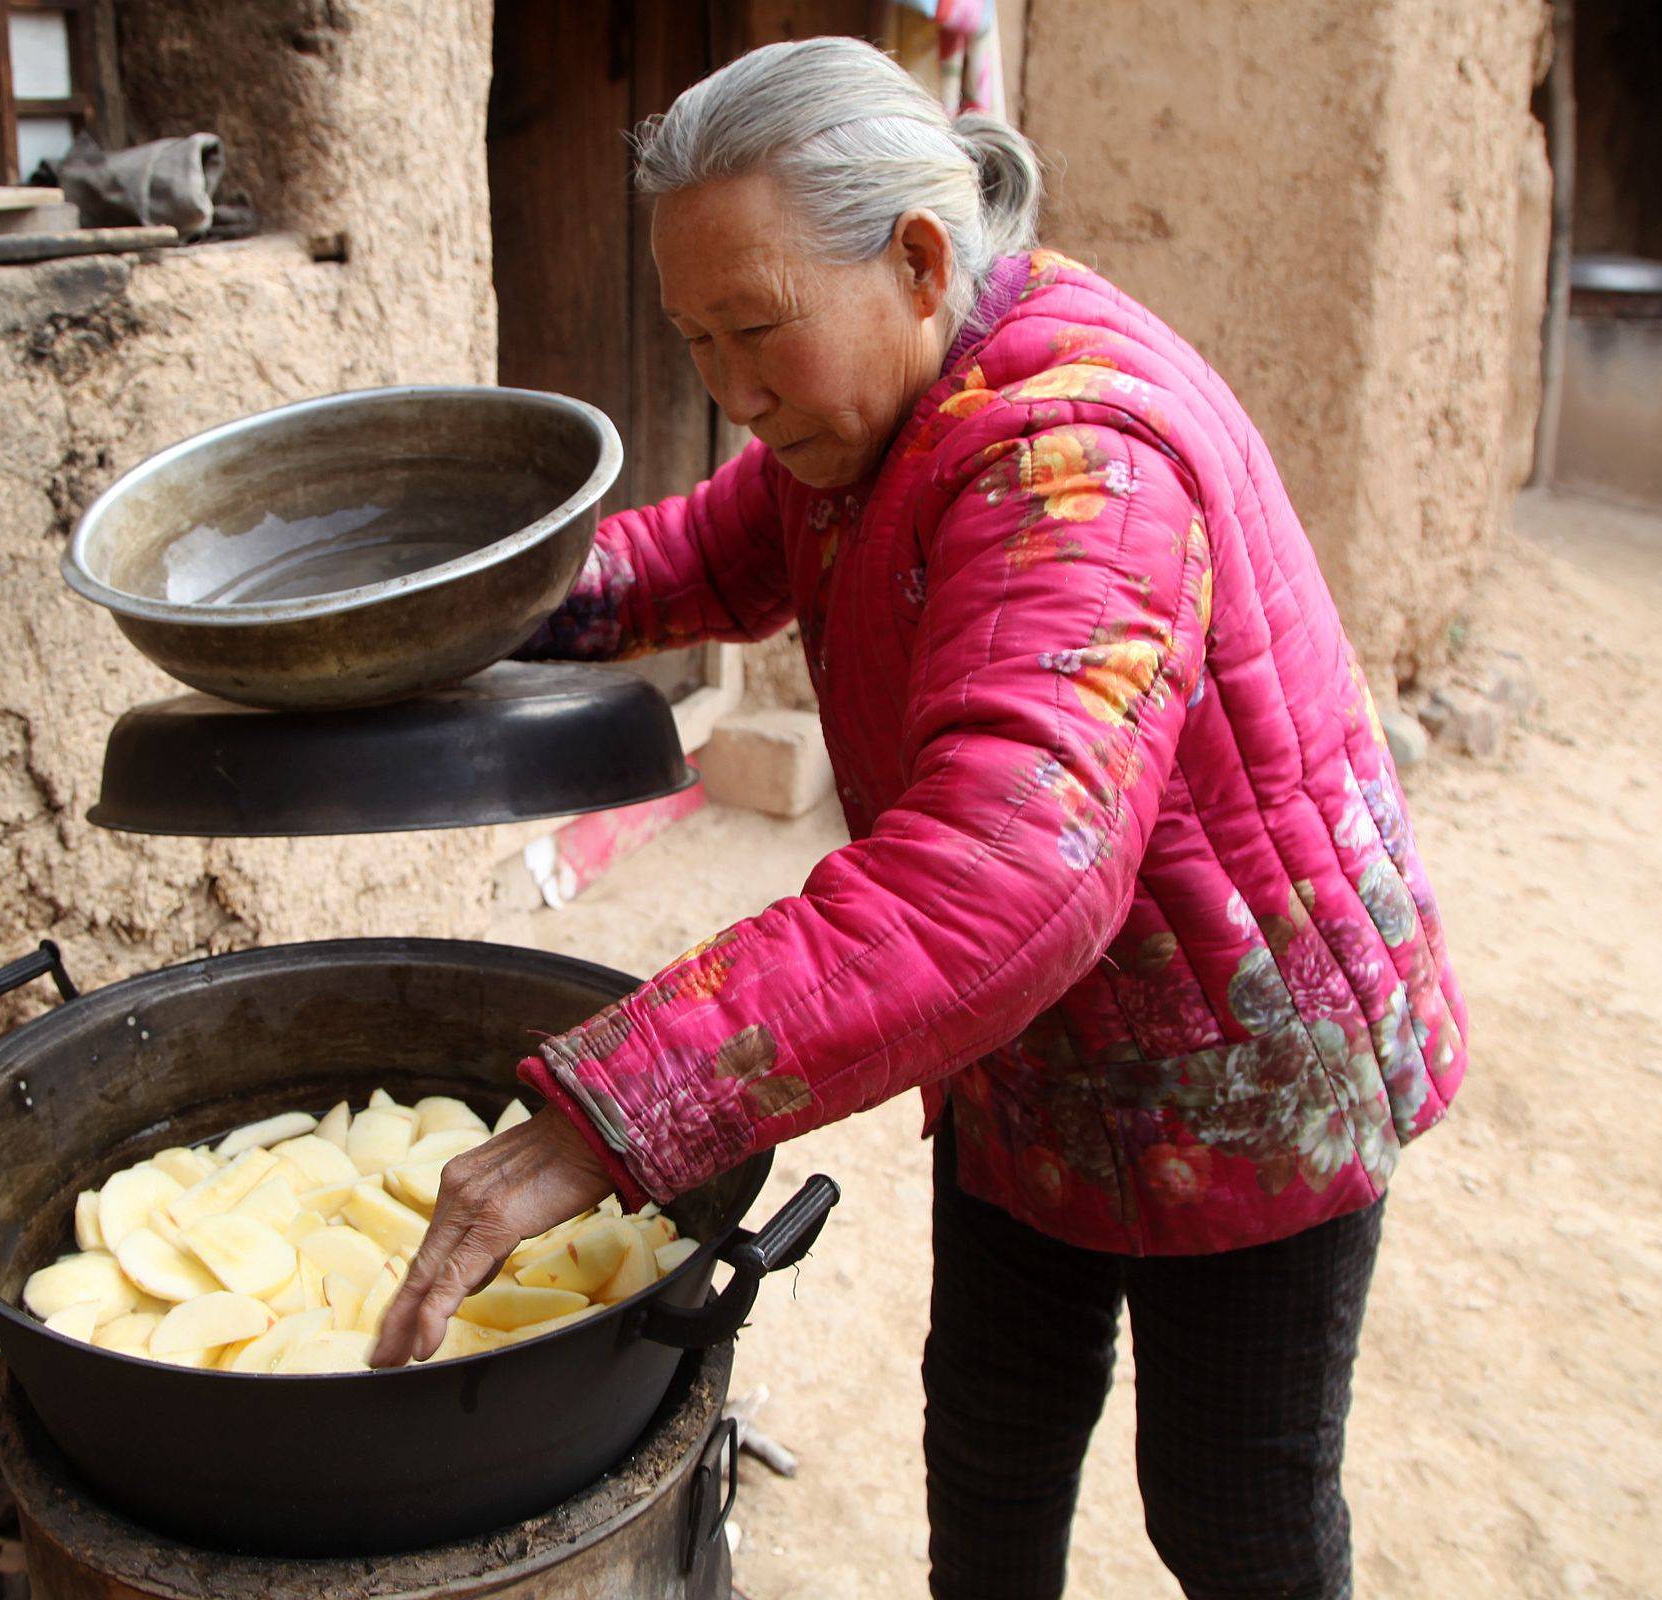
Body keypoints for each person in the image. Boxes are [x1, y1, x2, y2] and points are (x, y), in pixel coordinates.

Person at [374, 35, 1466, 1600]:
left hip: (1241, 1054)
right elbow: (688, 562)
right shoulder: (869, 405)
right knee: (994, 1451)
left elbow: (1003, 879)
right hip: (1029, 1054)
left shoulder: (1071, 457)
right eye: (697, 343)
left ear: (919, 258)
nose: (734, 396)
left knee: (1235, 1517)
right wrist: (440, 610)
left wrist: (605, 1116)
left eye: (757, 330)